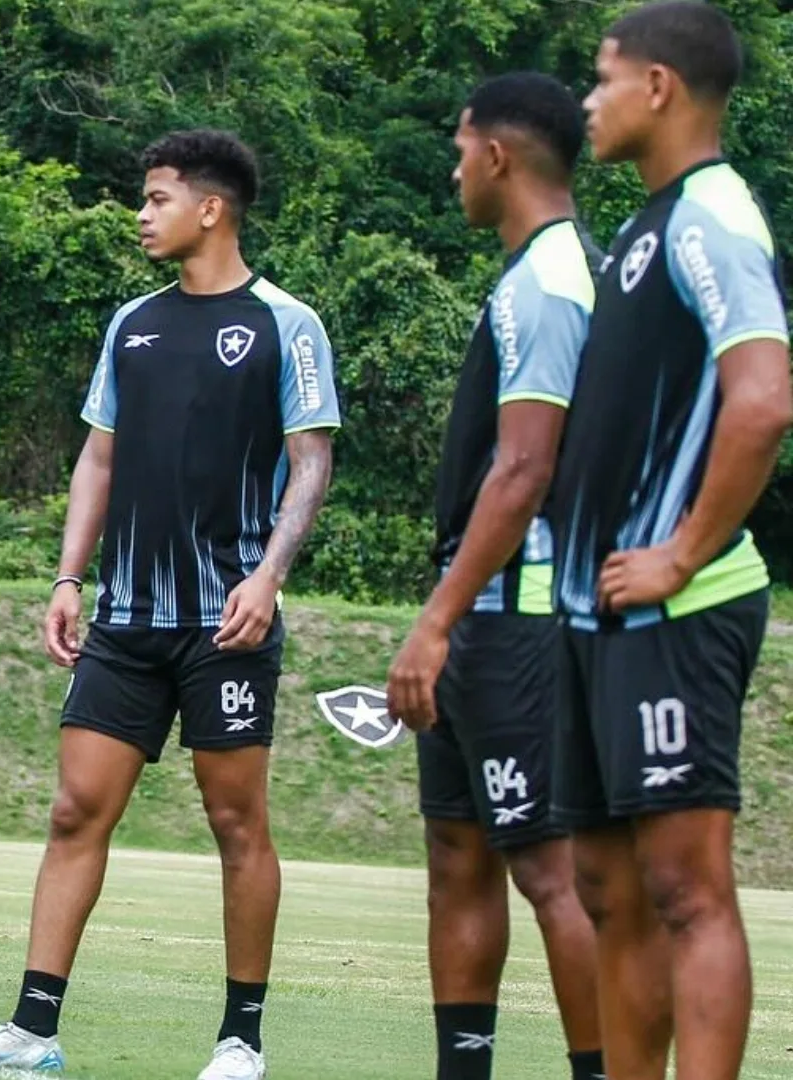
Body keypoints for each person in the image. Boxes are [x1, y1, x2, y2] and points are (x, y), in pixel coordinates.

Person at [0, 130, 339, 1078]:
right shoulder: (133, 324)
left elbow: (311, 463)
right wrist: (69, 578)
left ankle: (242, 1041)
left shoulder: (288, 323)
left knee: (238, 825)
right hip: (125, 618)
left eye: (157, 198)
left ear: (212, 208)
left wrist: (268, 576)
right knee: (76, 812)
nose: (142, 213)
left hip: (226, 622)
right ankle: (31, 1032)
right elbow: (99, 459)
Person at [550, 6, 790, 1079]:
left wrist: (683, 553)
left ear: (658, 87)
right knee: (609, 889)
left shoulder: (712, 214)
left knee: (687, 890)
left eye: (601, 81)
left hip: (678, 608)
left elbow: (763, 400)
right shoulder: (647, 227)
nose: (587, 103)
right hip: (603, 616)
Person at [382, 74, 606, 1080]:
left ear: (501, 157)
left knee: (551, 872)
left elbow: (525, 469)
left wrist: (437, 621)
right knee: (457, 858)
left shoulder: (552, 283)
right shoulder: (530, 274)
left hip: (520, 621)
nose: (454, 164)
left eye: (462, 144)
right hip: (486, 622)